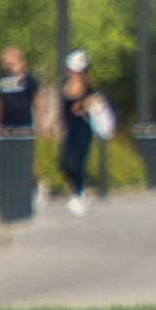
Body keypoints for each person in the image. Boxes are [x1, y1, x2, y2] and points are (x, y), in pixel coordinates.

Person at [58, 50, 97, 217]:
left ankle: (78, 194)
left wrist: (83, 105)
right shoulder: (65, 86)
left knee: (78, 162)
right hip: (70, 129)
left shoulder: (89, 87)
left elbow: (96, 104)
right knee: (64, 162)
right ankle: (76, 188)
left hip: (83, 128)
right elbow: (63, 110)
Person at [0, 46, 39, 132]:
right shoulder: (1, 80)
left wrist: (40, 123)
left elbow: (38, 100)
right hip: (5, 127)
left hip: (24, 126)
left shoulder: (28, 79)